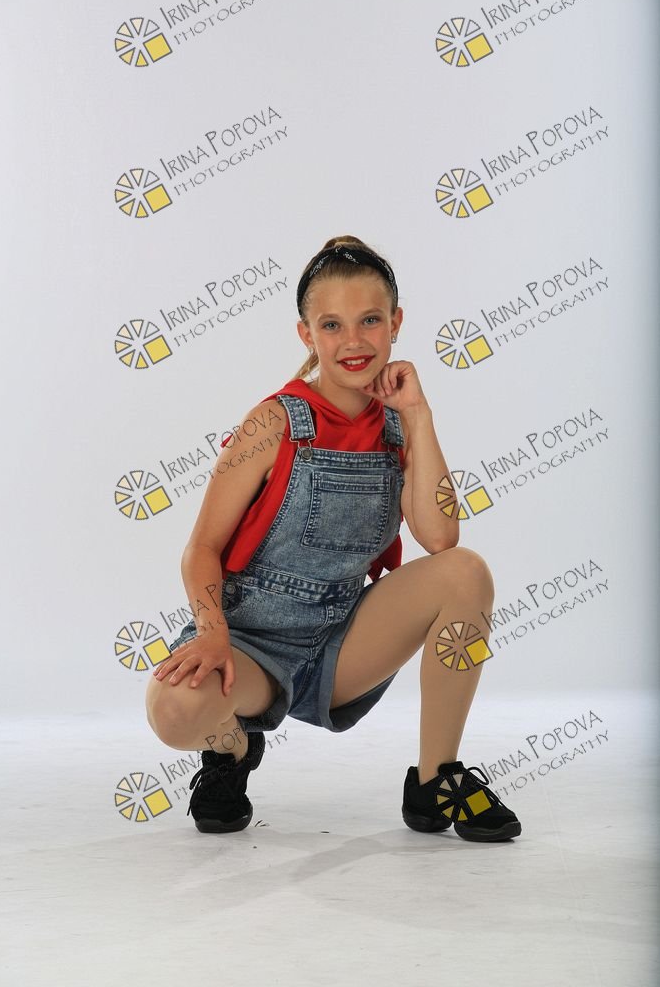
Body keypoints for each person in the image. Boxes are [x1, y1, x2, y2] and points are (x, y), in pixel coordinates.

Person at [146, 235, 522, 843]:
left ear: (396, 324)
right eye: (332, 325)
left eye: (370, 320)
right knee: (173, 710)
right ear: (306, 335)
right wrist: (212, 634)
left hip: (340, 642)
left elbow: (440, 536)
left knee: (466, 571)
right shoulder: (273, 422)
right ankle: (231, 748)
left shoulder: (399, 424)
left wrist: (418, 415)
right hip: (248, 642)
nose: (354, 341)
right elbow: (202, 549)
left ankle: (436, 778)